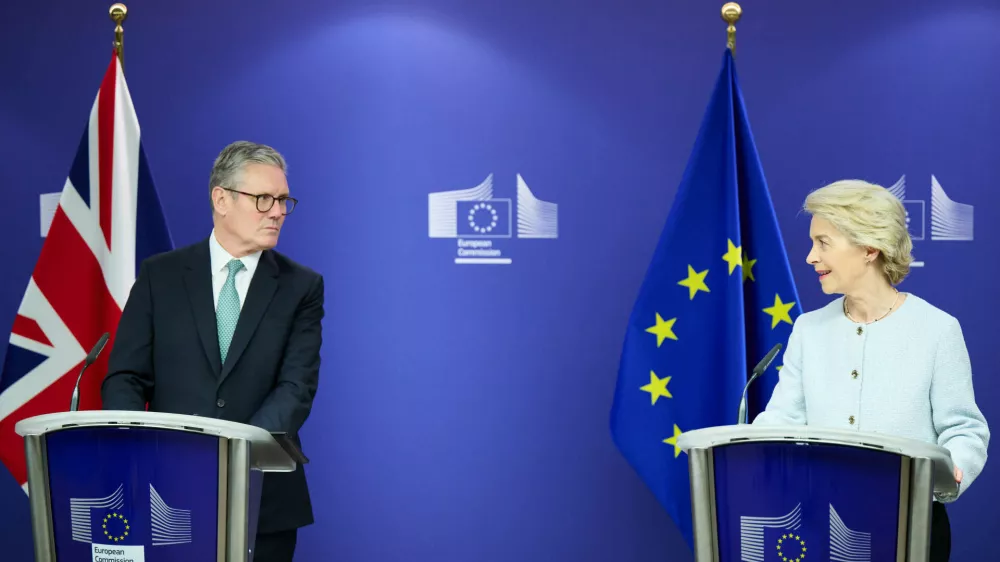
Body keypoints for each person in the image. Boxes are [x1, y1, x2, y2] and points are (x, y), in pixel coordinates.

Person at [101, 141, 323, 562]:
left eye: (282, 200)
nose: (277, 211)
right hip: (164, 494)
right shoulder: (160, 276)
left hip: (263, 501)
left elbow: (296, 387)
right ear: (221, 199)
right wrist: (132, 454)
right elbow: (126, 377)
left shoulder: (302, 288)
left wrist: (232, 458)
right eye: (263, 199)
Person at [753, 179, 989, 562]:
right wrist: (745, 454)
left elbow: (964, 428)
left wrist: (952, 467)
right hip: (819, 523)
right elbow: (784, 419)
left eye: (823, 242)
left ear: (868, 248)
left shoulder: (938, 330)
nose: (810, 257)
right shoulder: (808, 329)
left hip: (911, 526)